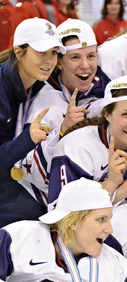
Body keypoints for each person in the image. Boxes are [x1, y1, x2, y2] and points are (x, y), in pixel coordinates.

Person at [18, 18, 112, 207]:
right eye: (75, 57)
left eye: (91, 56)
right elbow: (28, 172)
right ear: (59, 63)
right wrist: (62, 130)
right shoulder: (45, 102)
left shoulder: (107, 85)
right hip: (47, 201)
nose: (86, 65)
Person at [48, 76, 127, 206]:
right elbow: (61, 211)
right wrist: (111, 183)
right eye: (125, 114)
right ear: (107, 114)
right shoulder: (77, 147)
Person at [0, 17, 63, 227]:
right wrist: (28, 139)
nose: (49, 60)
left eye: (53, 52)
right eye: (41, 52)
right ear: (19, 52)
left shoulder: (35, 84)